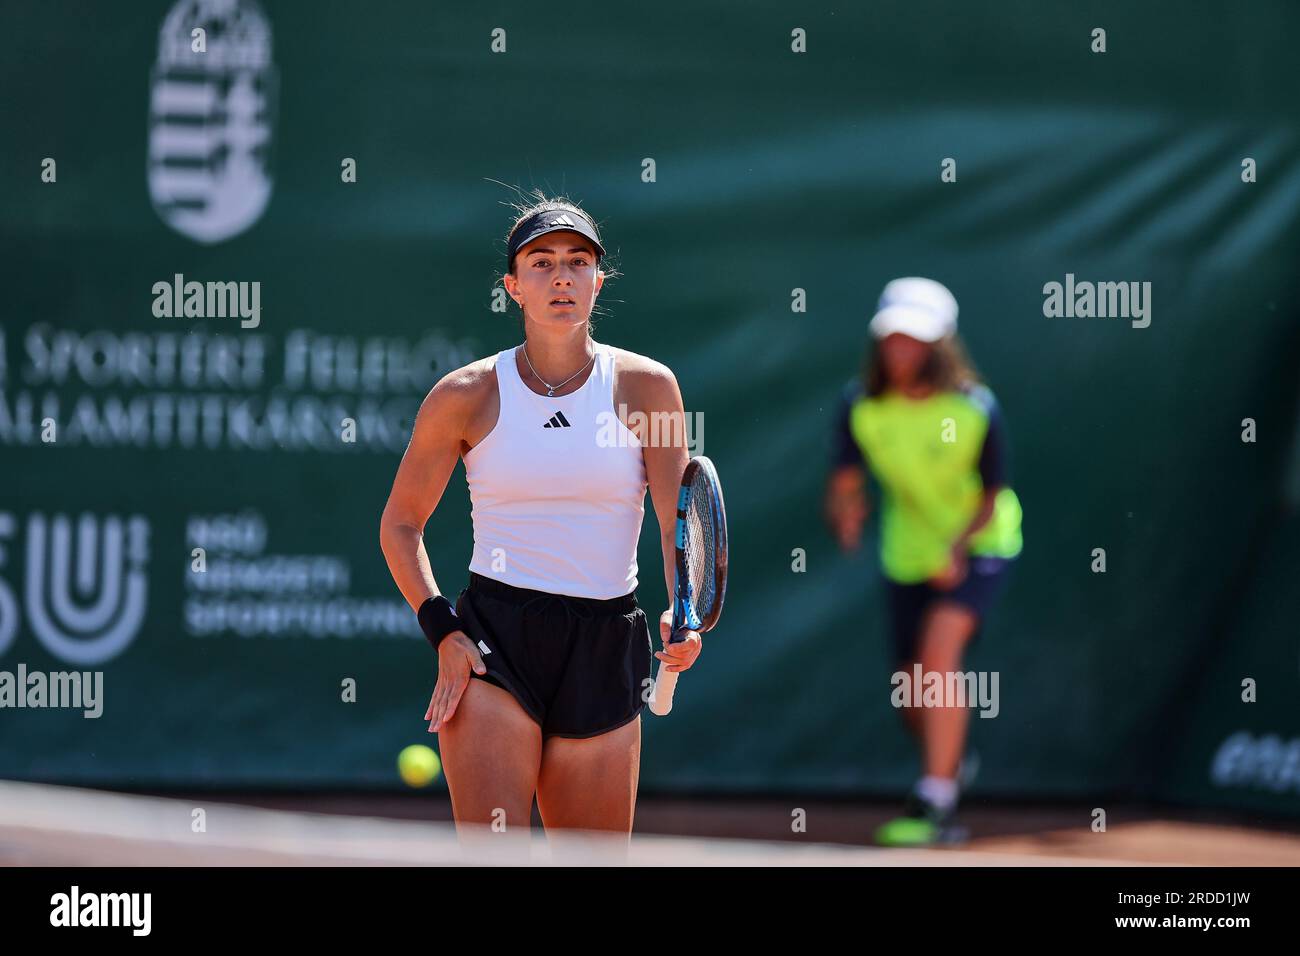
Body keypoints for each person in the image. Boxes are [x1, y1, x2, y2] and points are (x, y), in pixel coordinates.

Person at [379, 194, 700, 857]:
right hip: (498, 640)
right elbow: (401, 525)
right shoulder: (464, 395)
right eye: (542, 262)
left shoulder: (649, 389)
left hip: (607, 644)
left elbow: (677, 522)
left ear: (597, 282)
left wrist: (685, 610)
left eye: (578, 262)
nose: (561, 277)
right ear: (513, 287)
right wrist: (443, 630)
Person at [825, 278, 1023, 847]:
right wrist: (847, 511)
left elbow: (991, 496)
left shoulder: (975, 408)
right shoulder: (860, 406)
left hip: (983, 544)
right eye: (894, 339)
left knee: (940, 652)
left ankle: (936, 800)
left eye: (916, 339)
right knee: (910, 690)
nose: (903, 350)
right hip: (906, 555)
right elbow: (844, 482)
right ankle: (951, 762)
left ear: (940, 345)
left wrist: (957, 549)